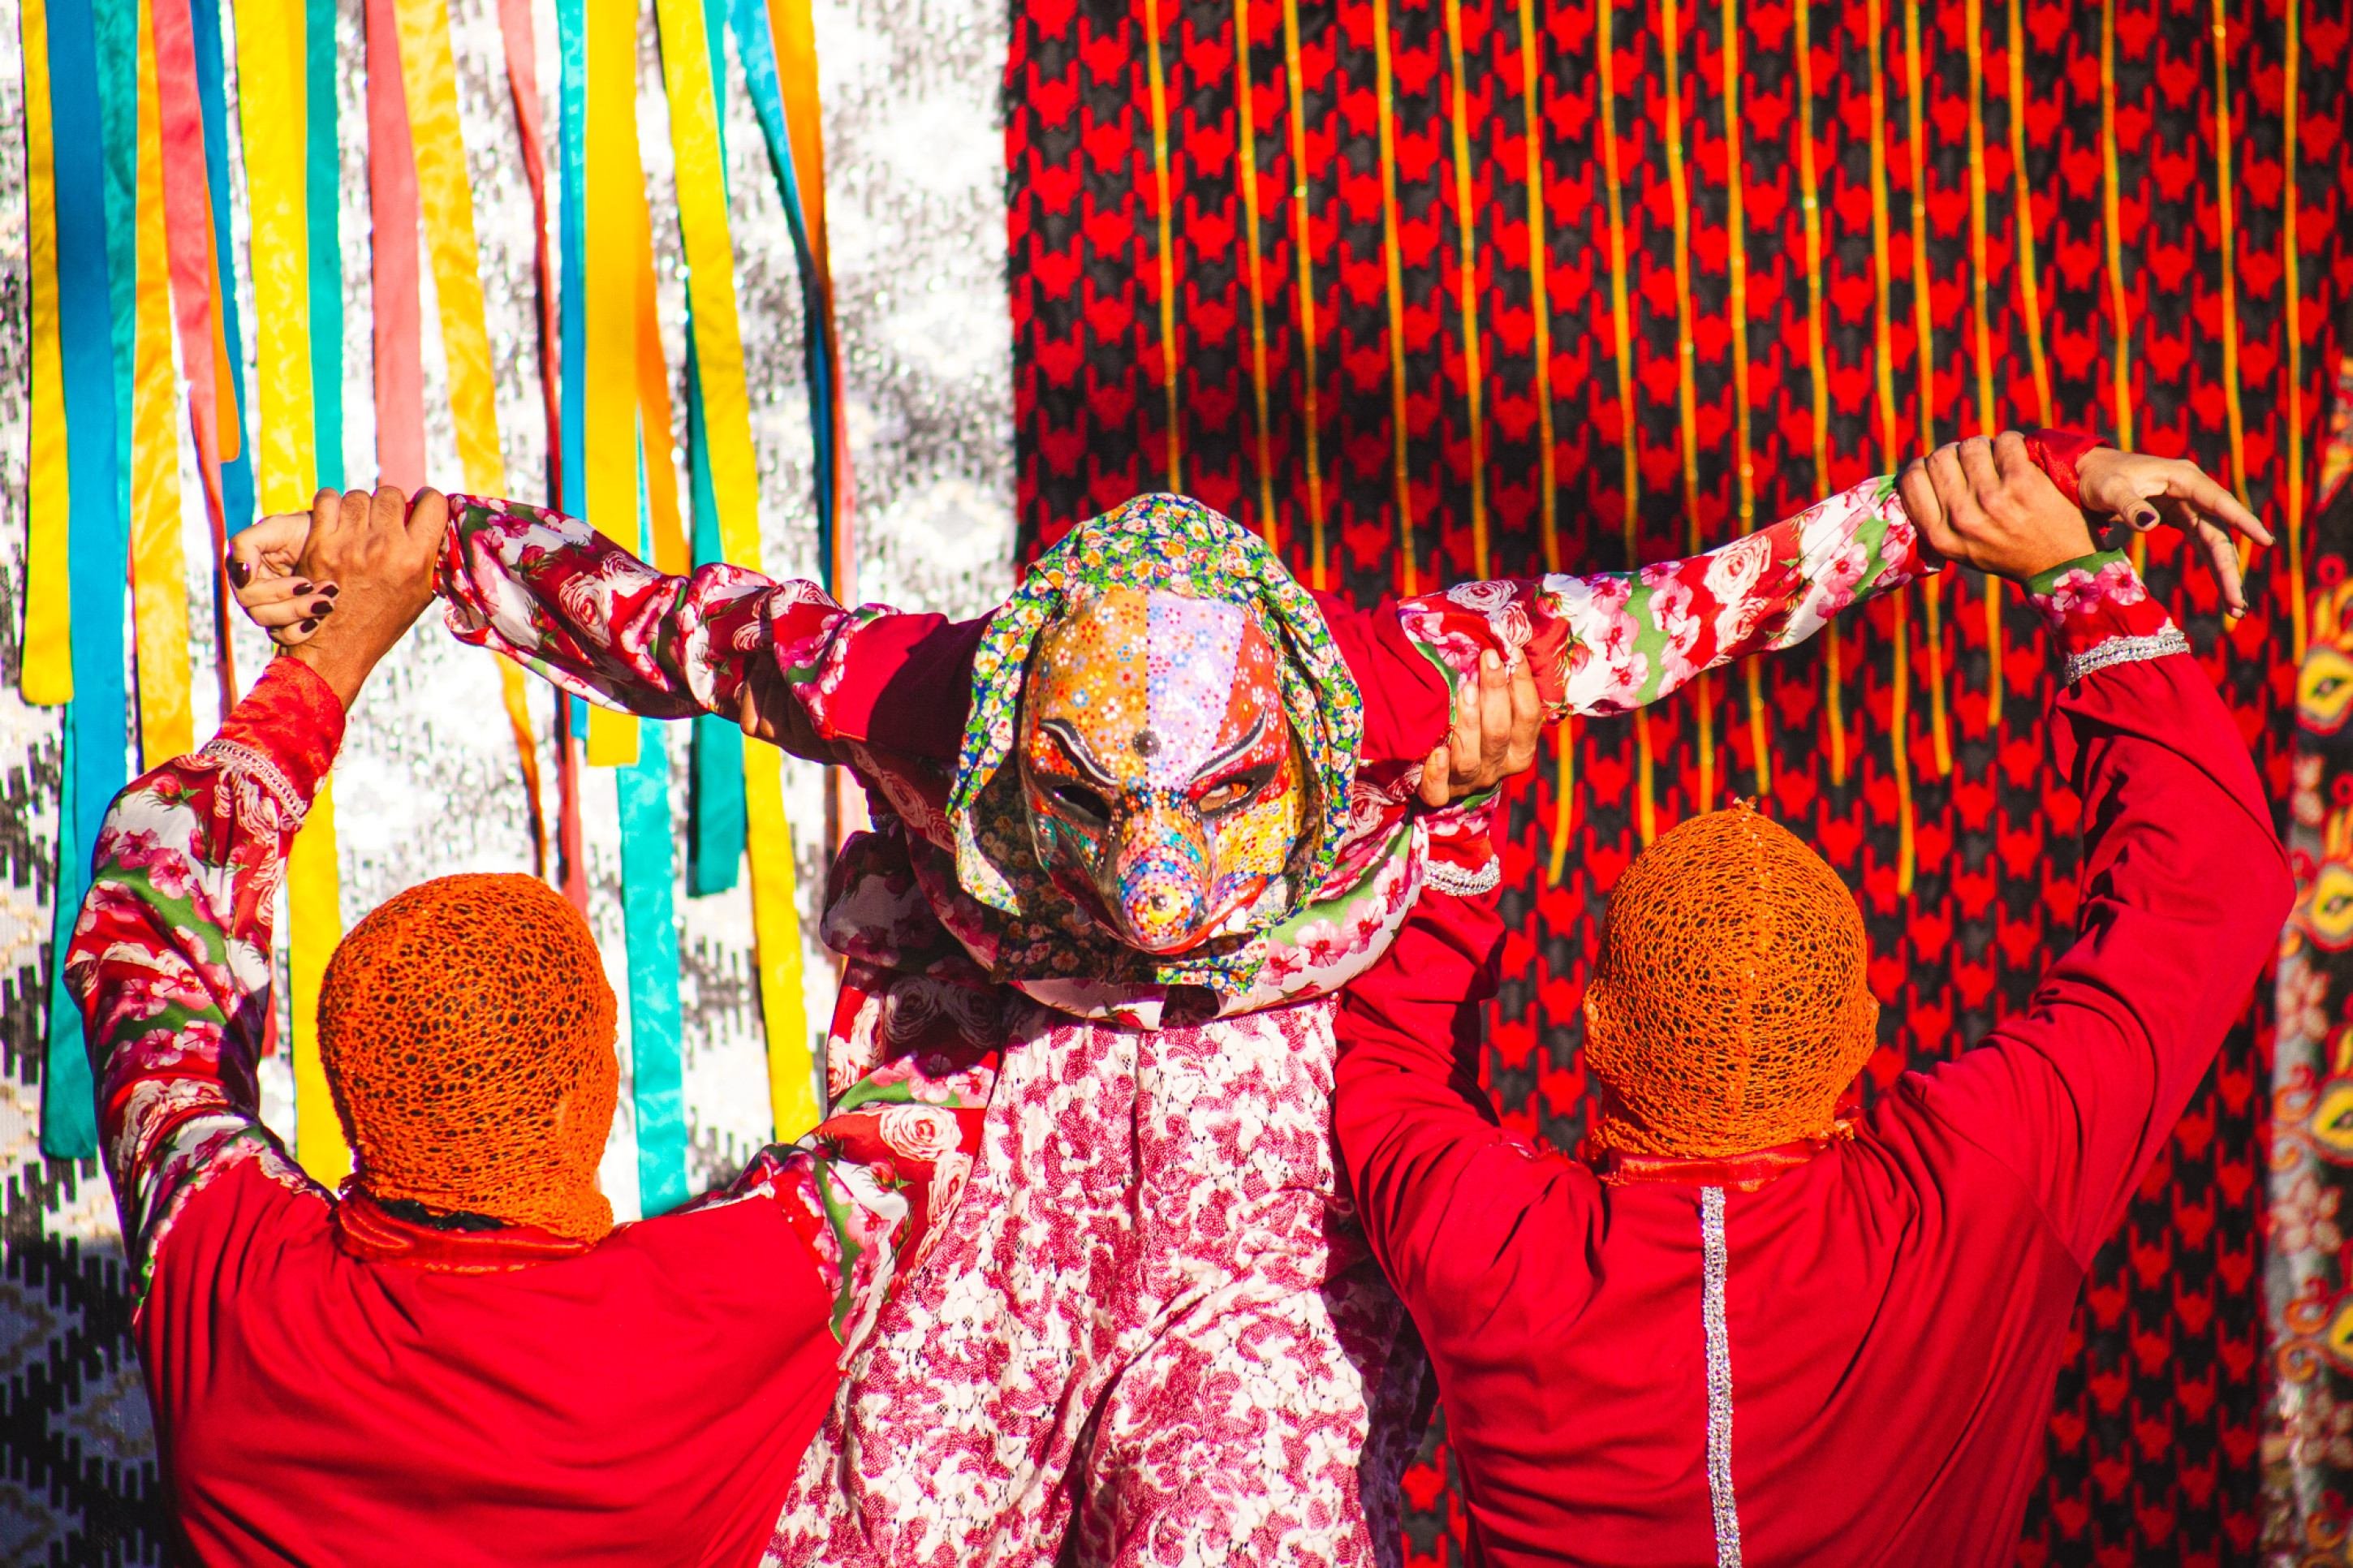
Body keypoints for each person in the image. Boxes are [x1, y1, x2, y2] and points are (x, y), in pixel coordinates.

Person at [225, 433, 2252, 1564]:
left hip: (1271, 1209)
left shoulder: (1410, 687)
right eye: (1096, 837)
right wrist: (396, 552)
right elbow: (638, 615)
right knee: (898, 1532)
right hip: (992, 1142)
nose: (1162, 905)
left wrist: (2016, 494)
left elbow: (1723, 594)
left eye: (1218, 832)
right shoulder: (904, 691)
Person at [1330, 435, 2291, 1566]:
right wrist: (2080, 579)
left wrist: (1454, 827)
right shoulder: (1977, 1190)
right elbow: (2210, 891)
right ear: (1863, 1039)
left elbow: (1388, 1056)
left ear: (1591, 1027)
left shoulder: (1482, 1244)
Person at [71, 488, 970, 1566]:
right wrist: (460, 550)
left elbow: (148, 914)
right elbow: (952, 1036)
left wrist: (327, 662)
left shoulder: (225, 1272)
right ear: (588, 1092)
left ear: (351, 1083)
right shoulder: (736, 1299)